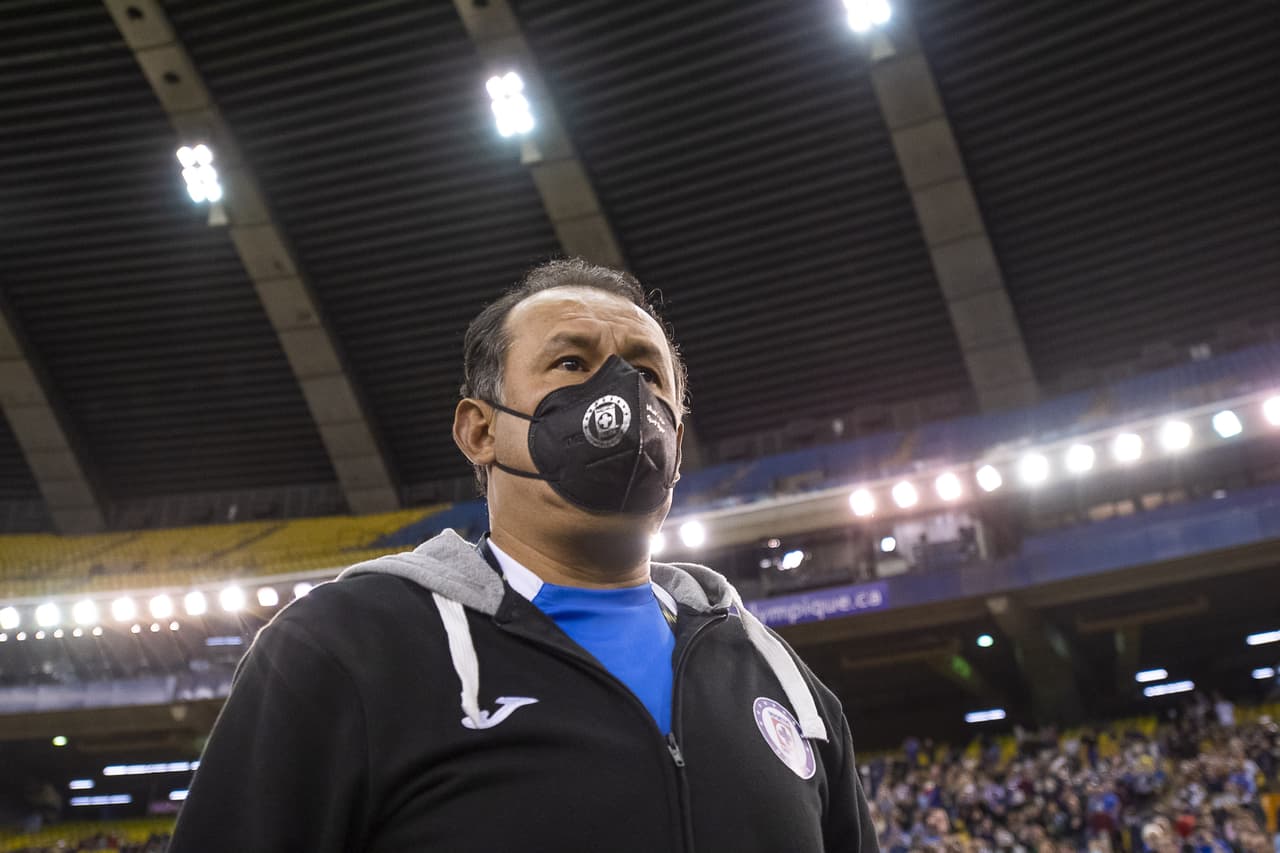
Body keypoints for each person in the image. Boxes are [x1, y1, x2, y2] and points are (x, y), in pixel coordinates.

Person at [168, 259, 878, 852]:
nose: (622, 397)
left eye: (647, 373)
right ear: (480, 431)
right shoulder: (344, 647)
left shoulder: (787, 684)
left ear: (678, 437)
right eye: (572, 363)